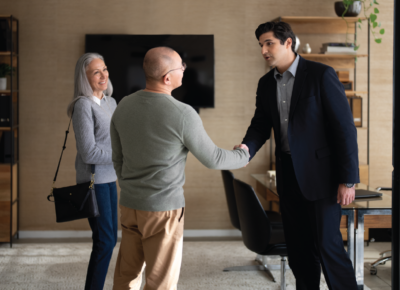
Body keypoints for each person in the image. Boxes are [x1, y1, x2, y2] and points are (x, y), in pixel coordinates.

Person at [110, 46, 249, 290]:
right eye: (180, 67)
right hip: (162, 209)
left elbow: (118, 158)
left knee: (126, 275)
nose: (184, 70)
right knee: (161, 282)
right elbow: (213, 158)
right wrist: (242, 155)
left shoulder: (123, 105)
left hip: (130, 204)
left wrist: (130, 186)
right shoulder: (183, 113)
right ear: (167, 77)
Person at [235, 22, 359, 290]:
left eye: (269, 43)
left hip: (323, 178)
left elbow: (345, 129)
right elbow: (259, 125)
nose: (264, 50)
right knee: (299, 249)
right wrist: (246, 148)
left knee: (328, 246)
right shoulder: (266, 83)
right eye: (261, 45)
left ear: (288, 42)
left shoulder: (320, 75)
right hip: (288, 175)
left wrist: (348, 180)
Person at [67, 53, 118, 290]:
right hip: (93, 181)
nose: (103, 75)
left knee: (109, 240)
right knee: (104, 241)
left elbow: (115, 143)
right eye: (96, 72)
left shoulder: (111, 102)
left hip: (110, 179)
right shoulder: (82, 106)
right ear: (84, 77)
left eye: (105, 69)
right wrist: (122, 157)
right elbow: (88, 153)